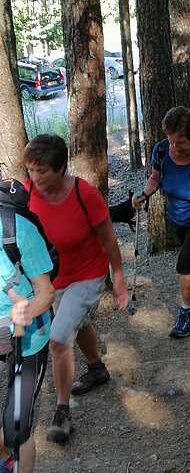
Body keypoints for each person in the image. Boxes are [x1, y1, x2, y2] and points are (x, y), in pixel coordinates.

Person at [22, 134, 128, 444]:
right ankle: (97, 369)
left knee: (57, 339)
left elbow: (108, 237)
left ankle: (62, 412)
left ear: (60, 169)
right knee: (75, 323)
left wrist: (118, 277)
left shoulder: (84, 194)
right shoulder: (26, 193)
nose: (34, 177)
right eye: (30, 170)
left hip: (88, 274)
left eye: (42, 171)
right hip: (54, 280)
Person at [132, 106, 190, 338]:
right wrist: (144, 195)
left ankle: (186, 315)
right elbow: (154, 179)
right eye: (171, 141)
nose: (174, 146)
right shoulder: (161, 150)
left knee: (185, 262)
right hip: (176, 214)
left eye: (179, 142)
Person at [0, 186, 55, 473]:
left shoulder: (16, 229)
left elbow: (45, 293)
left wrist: (26, 311)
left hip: (27, 335)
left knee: (16, 430)